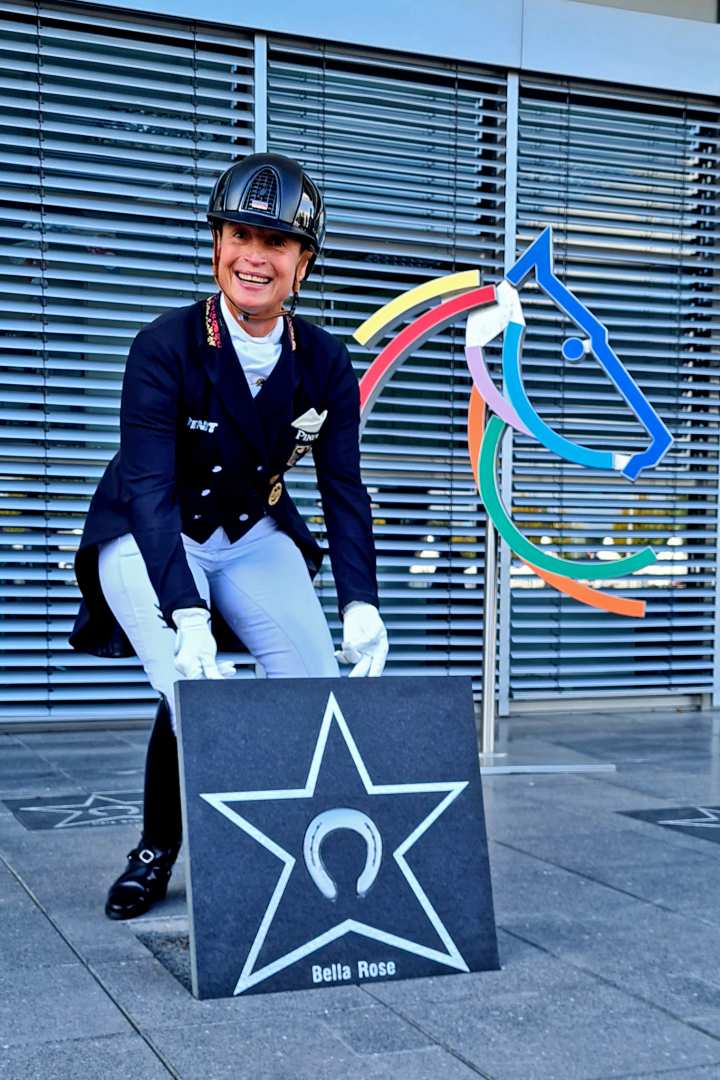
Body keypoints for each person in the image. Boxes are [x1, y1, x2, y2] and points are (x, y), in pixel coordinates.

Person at [69, 152, 388, 920]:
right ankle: (160, 852)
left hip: (252, 531)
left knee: (315, 694)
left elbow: (341, 487)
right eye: (241, 234)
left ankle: (306, 842)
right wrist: (184, 610)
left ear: (302, 264)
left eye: (275, 243)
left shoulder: (325, 362)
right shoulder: (165, 343)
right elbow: (146, 487)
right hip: (153, 533)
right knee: (199, 697)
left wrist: (361, 604)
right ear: (216, 245)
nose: (255, 255)